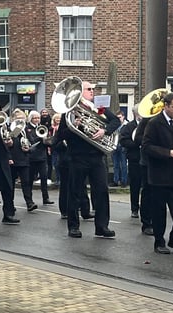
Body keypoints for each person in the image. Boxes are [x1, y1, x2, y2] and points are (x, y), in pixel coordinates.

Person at [55, 80, 119, 238]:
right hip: (77, 157)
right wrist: (74, 126)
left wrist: (104, 130)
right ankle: (73, 227)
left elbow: (115, 121)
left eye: (92, 89)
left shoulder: (98, 108)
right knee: (75, 192)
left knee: (102, 191)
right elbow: (60, 135)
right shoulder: (69, 112)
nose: (92, 92)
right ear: (79, 92)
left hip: (97, 156)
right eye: (89, 89)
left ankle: (102, 226)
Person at [141, 92, 173, 254]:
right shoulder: (154, 123)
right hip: (160, 175)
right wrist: (168, 153)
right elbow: (147, 146)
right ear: (166, 106)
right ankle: (159, 242)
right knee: (159, 211)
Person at [26, 110, 54, 206]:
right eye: (34, 118)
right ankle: (29, 200)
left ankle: (45, 198)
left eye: (38, 118)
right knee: (30, 180)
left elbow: (47, 143)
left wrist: (46, 140)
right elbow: (31, 141)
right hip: (31, 157)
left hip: (42, 157)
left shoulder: (42, 128)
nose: (37, 120)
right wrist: (39, 138)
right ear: (31, 118)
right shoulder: (27, 128)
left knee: (44, 178)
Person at [119, 105, 142, 218]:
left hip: (147, 159)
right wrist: (136, 144)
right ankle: (134, 208)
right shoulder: (129, 126)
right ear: (135, 114)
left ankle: (146, 208)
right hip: (134, 159)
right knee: (135, 185)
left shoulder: (149, 125)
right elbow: (123, 141)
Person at [111, 110, 128, 187]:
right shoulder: (115, 125)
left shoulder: (127, 125)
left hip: (122, 146)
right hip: (115, 146)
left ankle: (124, 181)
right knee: (115, 165)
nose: (118, 119)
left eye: (120, 117)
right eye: (117, 118)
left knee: (123, 165)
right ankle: (115, 180)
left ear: (123, 117)